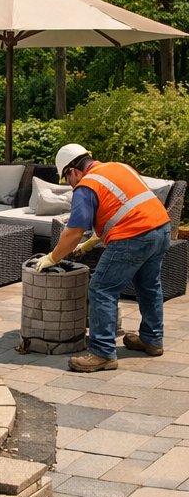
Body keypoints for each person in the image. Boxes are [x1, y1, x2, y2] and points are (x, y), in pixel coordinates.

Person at [38, 144, 170, 373]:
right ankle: (152, 339)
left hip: (134, 236)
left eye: (67, 179)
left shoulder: (86, 185)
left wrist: (53, 257)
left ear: (72, 171)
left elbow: (73, 232)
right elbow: (123, 208)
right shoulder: (119, 167)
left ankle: (102, 353)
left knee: (101, 289)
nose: (71, 184)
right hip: (161, 228)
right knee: (149, 285)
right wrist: (91, 243)